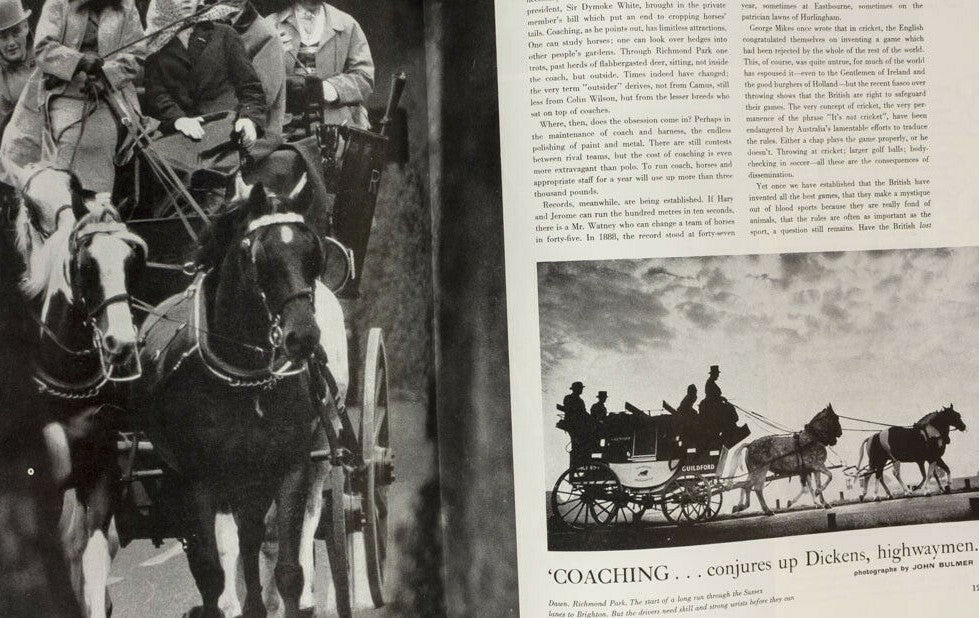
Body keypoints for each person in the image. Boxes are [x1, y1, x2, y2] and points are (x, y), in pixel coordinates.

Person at [33, 0, 145, 202]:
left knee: (97, 139)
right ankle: (65, 207)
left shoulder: (126, 6)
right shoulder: (58, 3)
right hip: (65, 93)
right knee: (70, 138)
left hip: (113, 96)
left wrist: (107, 77)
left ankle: (96, 211)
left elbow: (136, 56)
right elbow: (42, 49)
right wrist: (79, 60)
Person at [143, 0, 266, 147]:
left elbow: (251, 88)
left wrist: (249, 119)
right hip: (180, 135)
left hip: (227, 131)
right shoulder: (156, 44)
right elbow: (157, 94)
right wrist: (177, 119)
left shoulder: (224, 34)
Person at [268, 0, 374, 129]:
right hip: (283, 126)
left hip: (335, 126)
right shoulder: (271, 25)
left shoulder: (346, 24)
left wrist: (329, 89)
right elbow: (252, 82)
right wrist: (273, 54)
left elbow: (364, 78)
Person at [0, 0, 32, 139]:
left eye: (15, 32)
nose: (11, 42)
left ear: (25, 28)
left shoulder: (47, 59)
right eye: (3, 37)